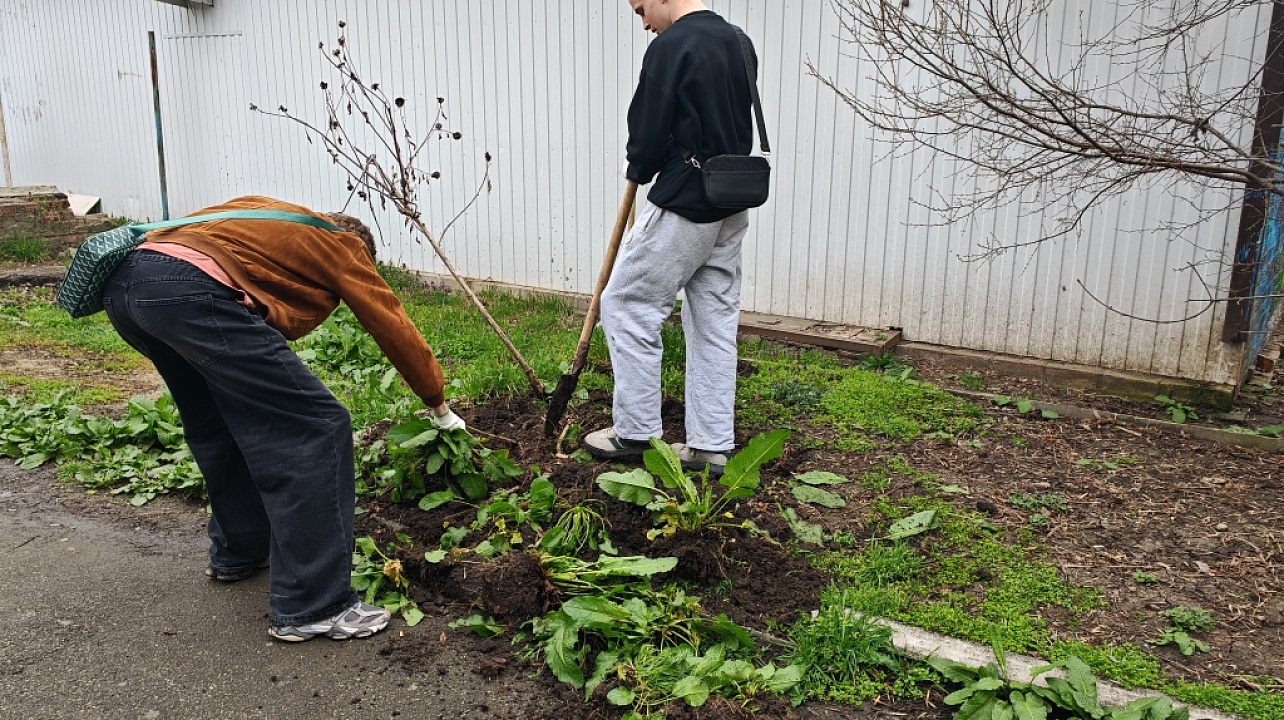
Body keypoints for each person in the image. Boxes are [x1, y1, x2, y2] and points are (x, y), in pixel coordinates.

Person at [100, 195, 465, 642]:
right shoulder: (341, 244)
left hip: (128, 288)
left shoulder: (260, 214)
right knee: (317, 427)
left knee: (218, 422)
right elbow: (391, 323)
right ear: (359, 246)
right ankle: (313, 604)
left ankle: (240, 551)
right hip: (192, 293)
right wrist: (437, 404)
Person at [583, 0, 759, 476]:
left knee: (627, 302)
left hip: (687, 201)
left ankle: (637, 434)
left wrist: (640, 165)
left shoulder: (672, 46)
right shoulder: (738, 41)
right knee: (714, 320)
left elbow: (646, 131)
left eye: (641, 9)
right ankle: (710, 445)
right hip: (731, 199)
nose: (643, 23)